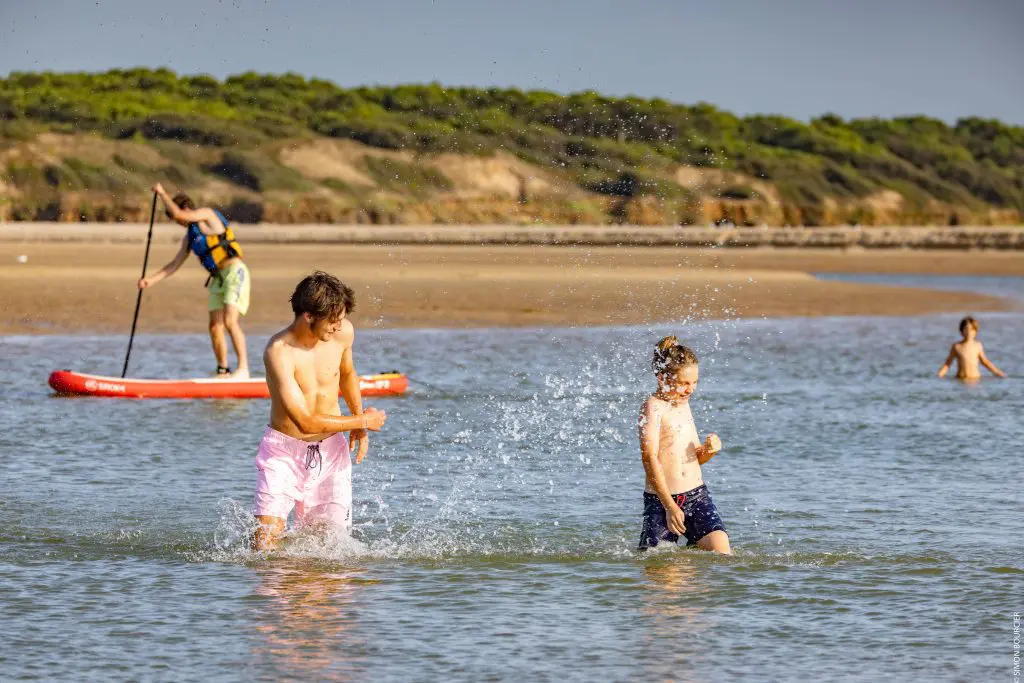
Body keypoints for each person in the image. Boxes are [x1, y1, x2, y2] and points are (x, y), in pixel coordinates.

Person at [253, 271, 387, 551]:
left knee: (329, 546)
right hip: (283, 453)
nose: (338, 326)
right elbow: (305, 422)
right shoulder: (279, 351)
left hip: (331, 452)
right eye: (333, 320)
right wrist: (363, 420)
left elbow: (347, 373)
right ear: (308, 316)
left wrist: (358, 422)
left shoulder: (343, 332)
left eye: (341, 318)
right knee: (264, 544)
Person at [138, 183, 251, 378]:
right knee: (215, 326)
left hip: (234, 272)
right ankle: (223, 370)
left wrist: (162, 193)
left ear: (185, 209)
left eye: (177, 218)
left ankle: (243, 369)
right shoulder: (189, 238)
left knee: (230, 321)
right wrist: (150, 280)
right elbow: (174, 264)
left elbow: (177, 213)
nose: (178, 222)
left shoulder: (207, 215)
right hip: (217, 279)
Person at [637, 336, 731, 554]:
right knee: (658, 563)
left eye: (694, 382)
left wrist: (709, 451)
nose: (691, 390)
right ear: (662, 378)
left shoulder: (684, 405)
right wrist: (670, 507)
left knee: (722, 551)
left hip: (697, 497)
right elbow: (649, 458)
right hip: (661, 502)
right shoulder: (652, 407)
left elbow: (696, 458)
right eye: (684, 384)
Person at [937, 316, 1006, 380]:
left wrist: (997, 372)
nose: (969, 332)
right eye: (966, 329)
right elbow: (947, 364)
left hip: (975, 380)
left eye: (972, 329)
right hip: (961, 380)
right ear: (961, 331)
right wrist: (940, 374)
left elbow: (985, 362)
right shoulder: (957, 346)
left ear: (976, 332)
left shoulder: (977, 345)